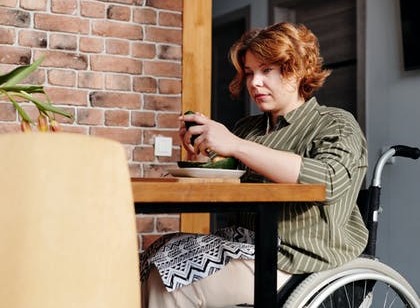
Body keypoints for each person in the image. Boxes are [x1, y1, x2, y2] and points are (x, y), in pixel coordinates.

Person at [140, 22, 368, 307]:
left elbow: (328, 181)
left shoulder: (335, 123)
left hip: (299, 259)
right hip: (245, 246)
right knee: (153, 256)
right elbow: (226, 182)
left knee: (168, 283)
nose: (254, 82)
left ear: (296, 69)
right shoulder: (249, 128)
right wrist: (200, 154)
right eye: (249, 72)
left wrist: (234, 144)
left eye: (266, 70)